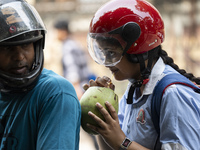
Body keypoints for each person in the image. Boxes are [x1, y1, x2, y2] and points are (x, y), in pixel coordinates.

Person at [83, 0, 200, 149]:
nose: (106, 62)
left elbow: (121, 144)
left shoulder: (172, 94)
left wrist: (123, 142)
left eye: (111, 53)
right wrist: (100, 120)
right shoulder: (134, 90)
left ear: (138, 50)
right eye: (103, 53)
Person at [0, 0, 81, 149]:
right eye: (7, 48)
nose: (19, 57)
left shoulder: (55, 93)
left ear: (37, 45)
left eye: (25, 45)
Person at [53, 19, 96, 100]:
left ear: (63, 31)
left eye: (57, 31)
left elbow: (72, 68)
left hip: (79, 87)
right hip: (85, 85)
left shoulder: (67, 47)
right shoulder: (75, 43)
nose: (56, 35)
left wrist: (75, 87)